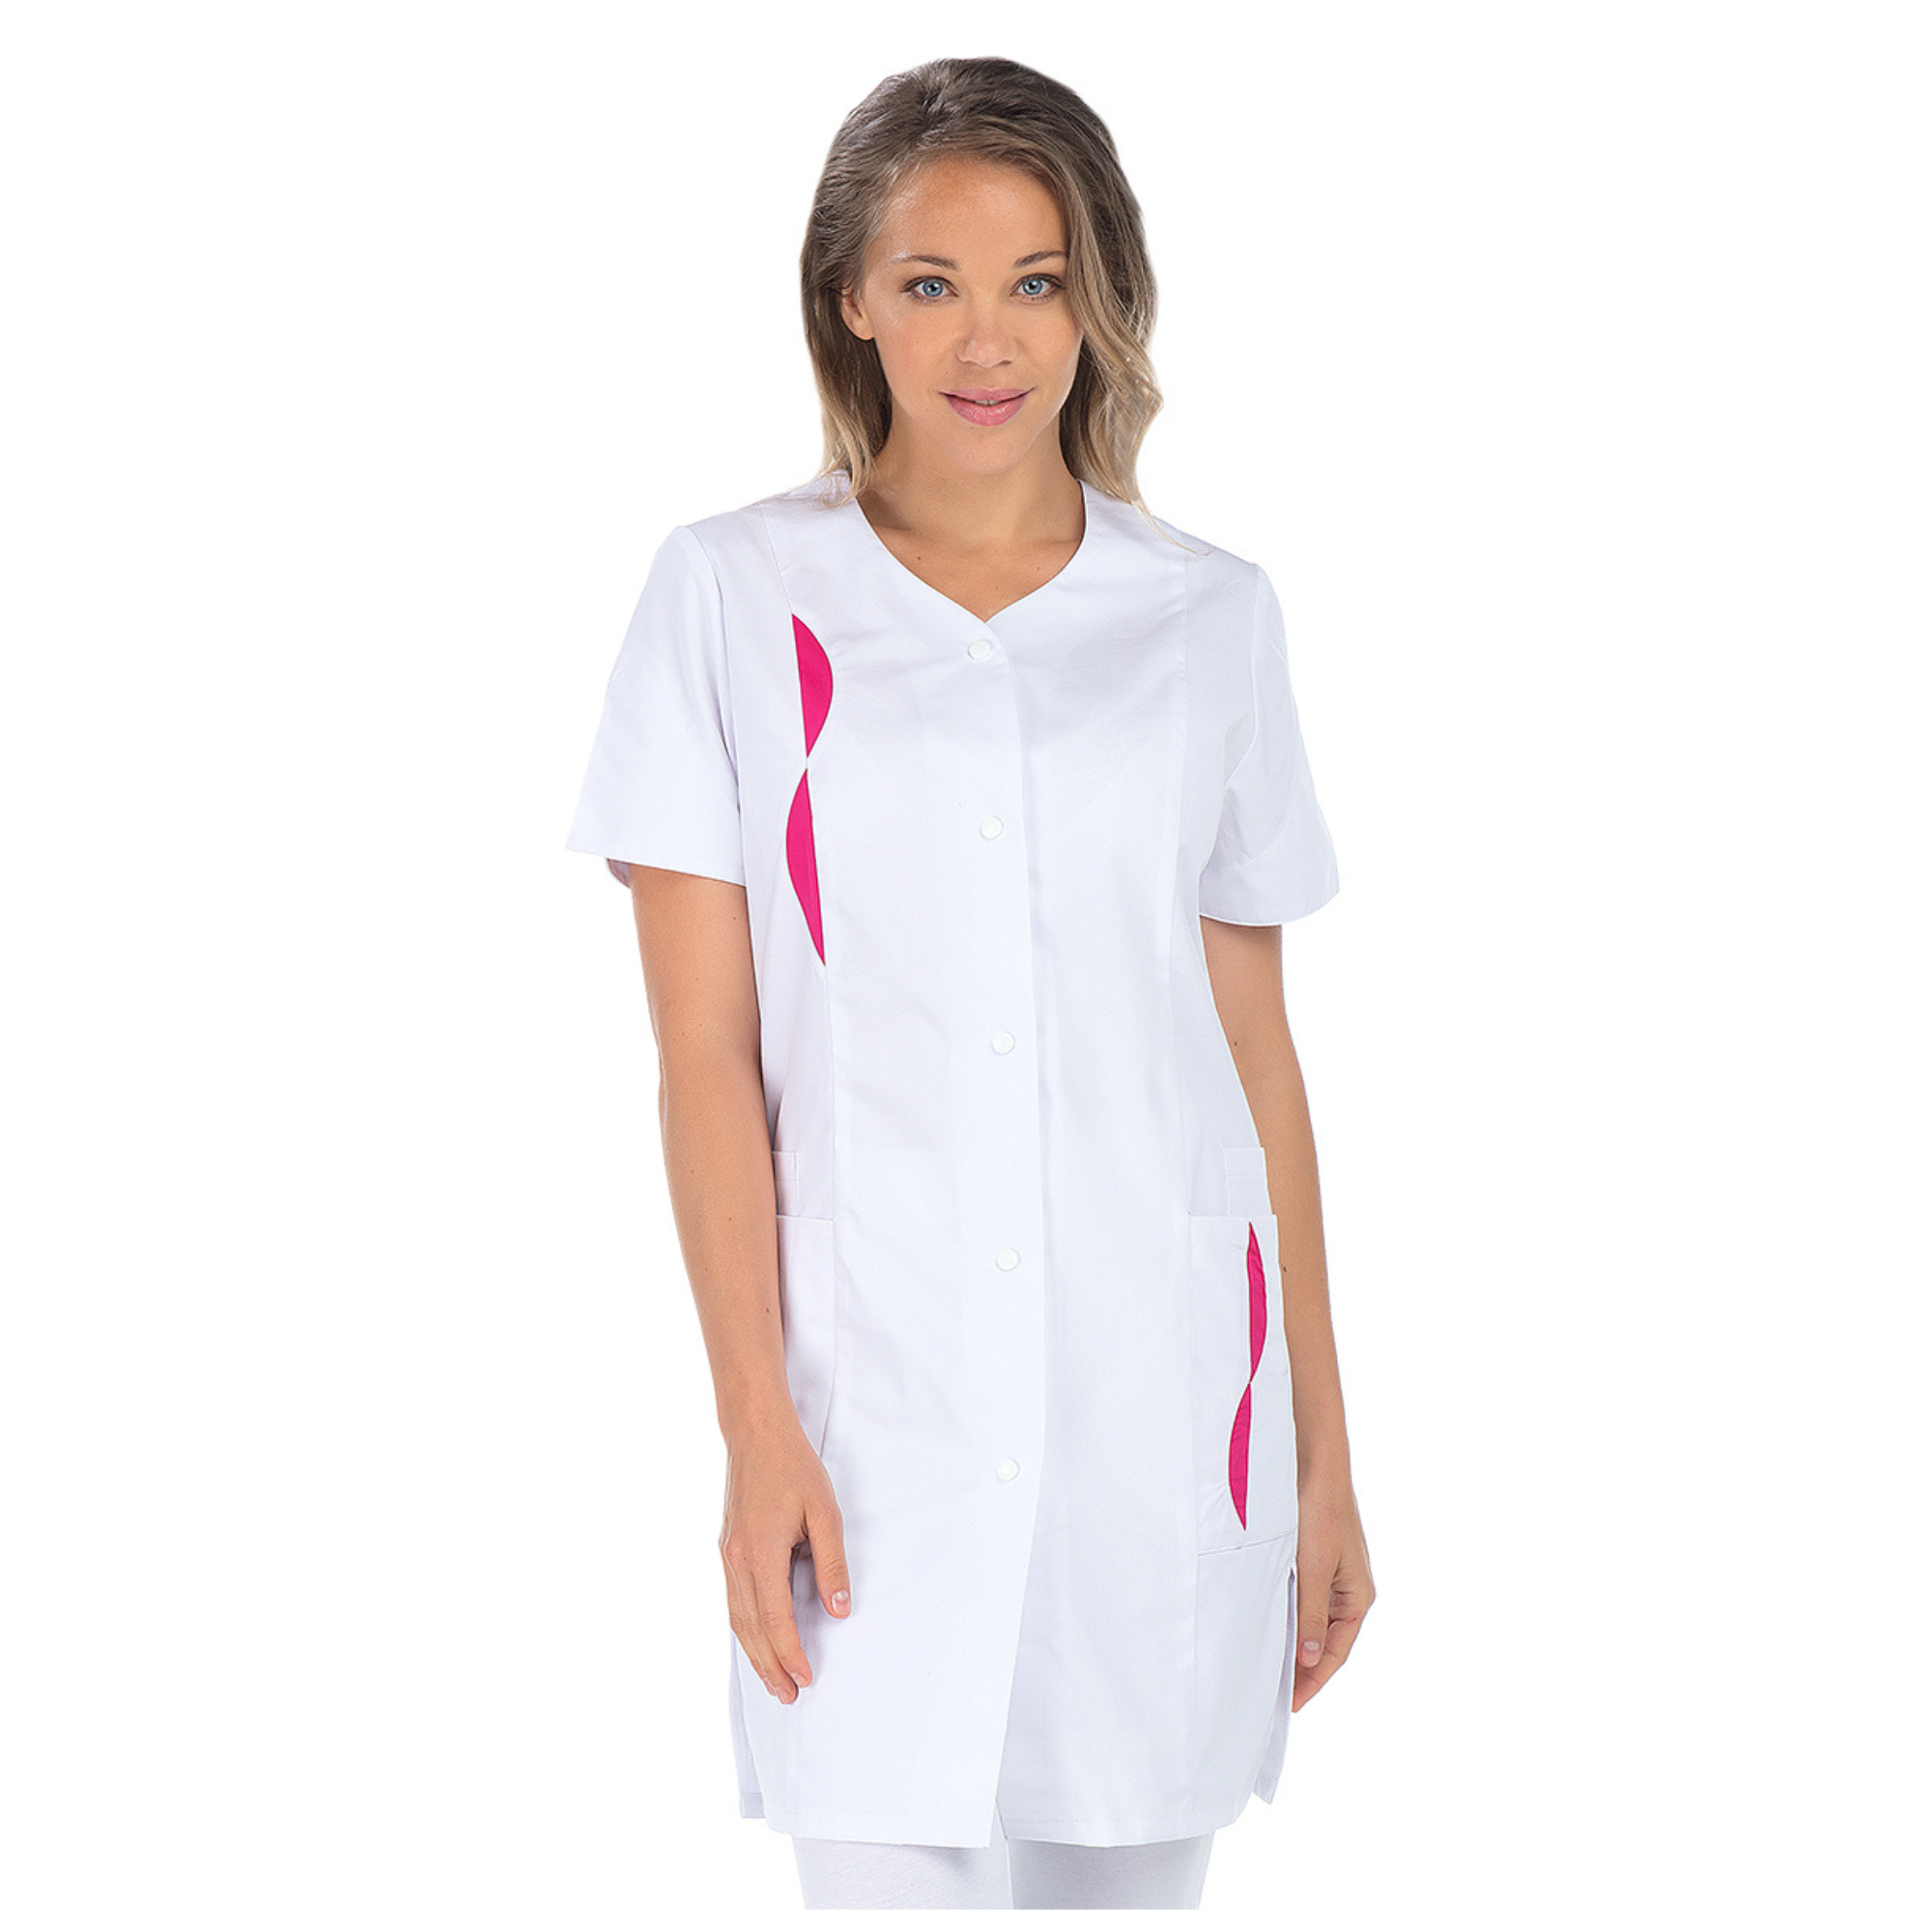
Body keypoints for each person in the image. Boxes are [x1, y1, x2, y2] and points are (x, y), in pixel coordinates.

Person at [564, 55, 1376, 1912]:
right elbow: (706, 1056)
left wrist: (1324, 1457)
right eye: (931, 281)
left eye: (1036, 281)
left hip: (1161, 1414)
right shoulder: (732, 595)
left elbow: (1254, 1062)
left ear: (1101, 304)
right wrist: (754, 1423)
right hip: (872, 1427)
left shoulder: (1210, 615)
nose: (987, 338)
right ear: (850, 297)